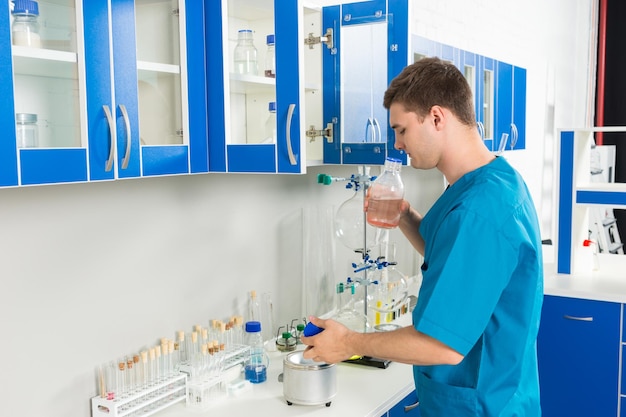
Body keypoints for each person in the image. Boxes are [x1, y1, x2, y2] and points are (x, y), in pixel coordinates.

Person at [301, 57, 543, 416]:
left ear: (436, 118)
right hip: (473, 397)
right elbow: (455, 262)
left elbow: (442, 345)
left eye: (401, 130)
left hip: (482, 406)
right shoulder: (490, 181)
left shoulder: (479, 211)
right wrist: (404, 216)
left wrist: (347, 343)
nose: (397, 144)